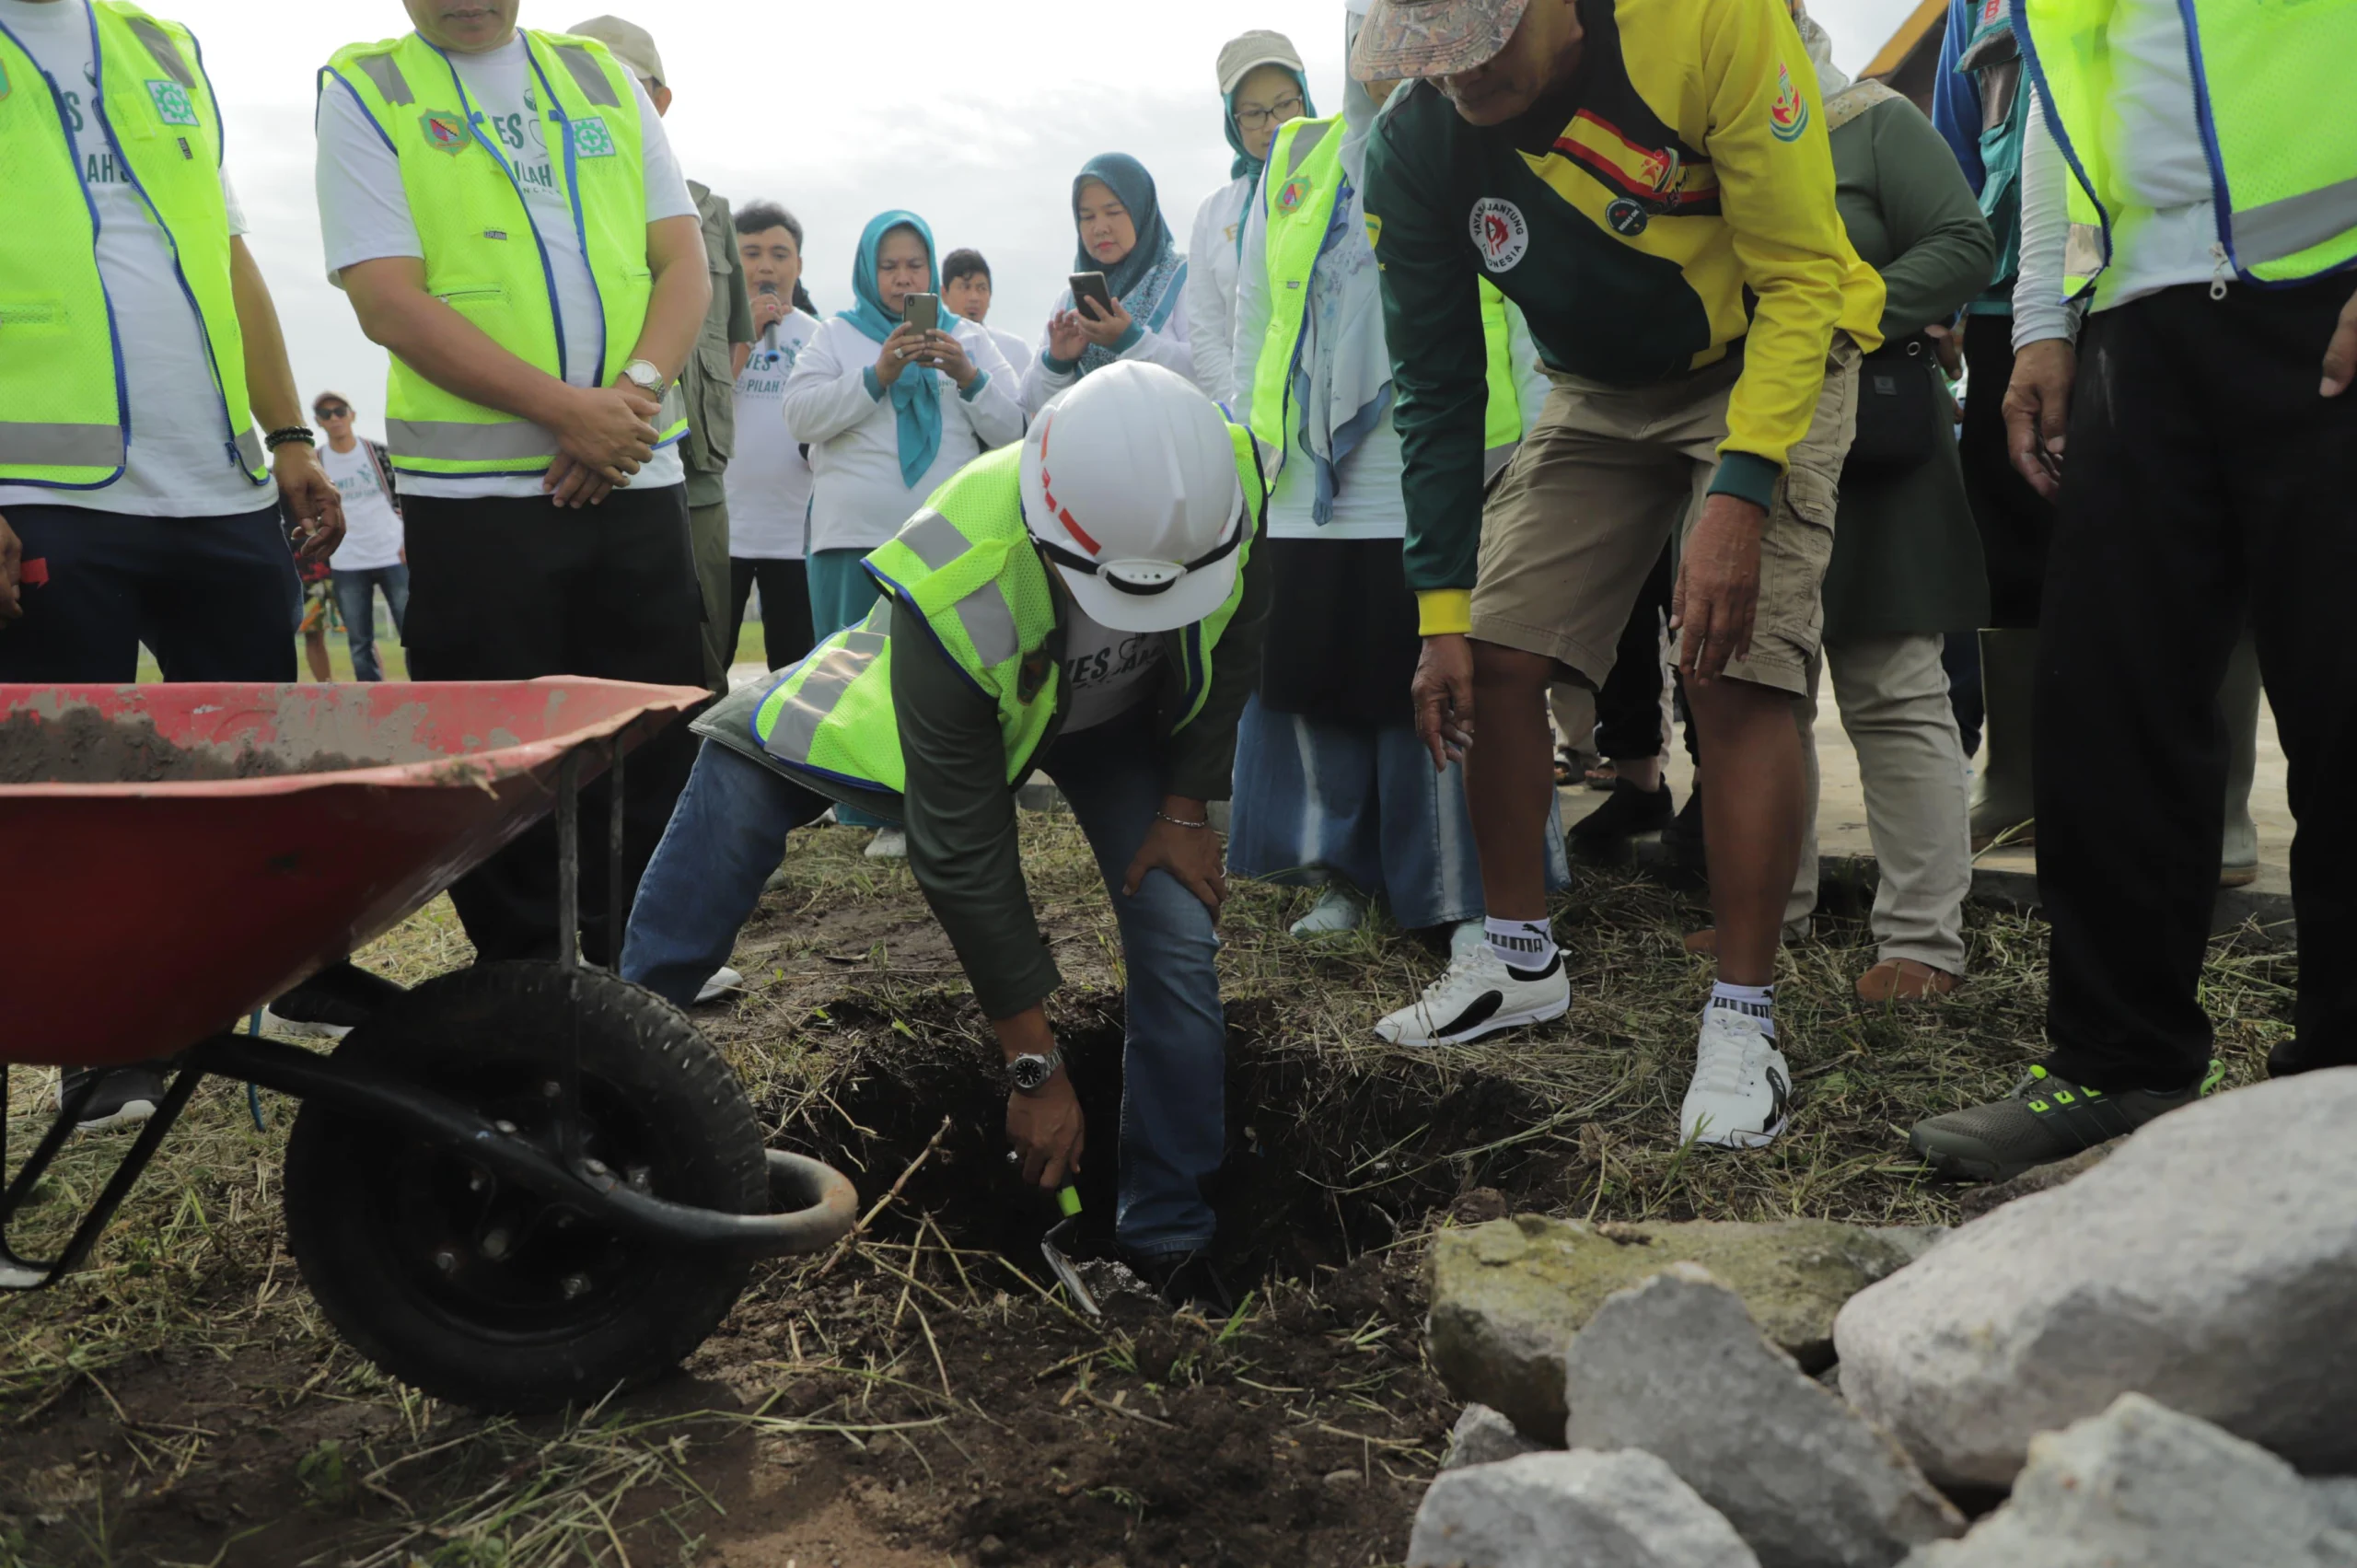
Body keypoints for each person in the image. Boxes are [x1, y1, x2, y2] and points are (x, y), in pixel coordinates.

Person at [622, 364, 1270, 1310]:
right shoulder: (959, 570)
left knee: (1178, 942)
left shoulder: (1223, 479)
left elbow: (1240, 632)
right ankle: (615, 1086)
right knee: (740, 766)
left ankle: (1166, 1236)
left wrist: (1184, 806)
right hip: (966, 698)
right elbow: (965, 855)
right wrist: (1035, 1069)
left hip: (1127, 724)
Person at [1354, 0, 1884, 1151]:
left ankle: (1744, 1019)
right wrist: (1438, 612)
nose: (1454, 81)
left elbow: (1802, 278)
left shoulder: (1706, 25)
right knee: (1492, 649)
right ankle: (1516, 958)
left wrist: (1741, 492)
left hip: (1764, 352)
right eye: (1424, 59)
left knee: (1734, 669)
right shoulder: (1412, 147)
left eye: (1476, 46)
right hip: (1596, 389)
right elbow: (1437, 390)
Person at [1906, 0, 2357, 1179]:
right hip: (2142, 320)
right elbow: (2065, 103)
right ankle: (2117, 1061)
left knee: (2346, 699)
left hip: (2332, 293)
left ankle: (2341, 1087)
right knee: (2103, 699)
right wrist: (2049, 321)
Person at [1, 0, 345, 1132]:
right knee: (73, 788)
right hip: (42, 487)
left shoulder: (161, 47)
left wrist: (288, 434)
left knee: (257, 764)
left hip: (216, 481)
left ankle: (277, 983)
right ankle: (100, 1044)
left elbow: (228, 253)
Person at [317, 0, 711, 972]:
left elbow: (683, 262)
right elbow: (385, 296)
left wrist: (632, 395)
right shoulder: (368, 87)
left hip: (634, 471)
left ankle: (641, 972)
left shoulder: (599, 77)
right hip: (478, 497)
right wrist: (565, 410)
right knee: (496, 761)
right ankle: (529, 989)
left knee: (655, 740)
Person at [1226, 8, 1568, 956]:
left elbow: (1529, 305)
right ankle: (1337, 875)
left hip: (1443, 466)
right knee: (1319, 678)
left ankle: (1456, 889)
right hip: (1310, 483)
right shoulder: (1296, 156)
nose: (1393, 58)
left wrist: (1541, 450)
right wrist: (1256, 453)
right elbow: (1256, 309)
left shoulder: (1484, 134)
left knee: (1432, 680)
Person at [1701, 3, 1996, 1002]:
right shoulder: (1691, 135)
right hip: (1749, 438)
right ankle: (1764, 911)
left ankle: (1922, 941)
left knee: (1893, 686)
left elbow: (1963, 242)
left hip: (1870, 442)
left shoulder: (1870, 120)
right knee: (1757, 686)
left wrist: (1841, 311)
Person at [781, 209, 1024, 859]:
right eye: (888, 266)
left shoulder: (968, 337)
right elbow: (800, 413)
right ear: (868, 270)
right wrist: (876, 375)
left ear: (931, 272)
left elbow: (1018, 429)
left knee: (948, 676)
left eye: (914, 265)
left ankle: (944, 805)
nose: (901, 277)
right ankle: (866, 809)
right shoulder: (836, 335)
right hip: (852, 535)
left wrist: (966, 377)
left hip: (945, 537)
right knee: (855, 677)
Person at [569, 16, 755, 699]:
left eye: (627, 86)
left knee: (697, 654)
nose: (605, 101)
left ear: (661, 102)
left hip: (693, 468)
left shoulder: (707, 212)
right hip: (575, 458)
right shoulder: (545, 207)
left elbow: (733, 338)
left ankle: (689, 804)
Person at [1184, 30, 1311, 404]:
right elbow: (1206, 331)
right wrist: (1248, 409)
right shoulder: (1214, 213)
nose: (1272, 124)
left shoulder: (1344, 182)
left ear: (1305, 99)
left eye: (1285, 104)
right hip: (1251, 413)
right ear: (1232, 121)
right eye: (1254, 113)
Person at [1022, 155, 1199, 414]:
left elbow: (1209, 372)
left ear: (1141, 210)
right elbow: (1032, 407)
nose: (1100, 228)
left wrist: (1132, 341)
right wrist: (1057, 361)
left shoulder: (1184, 278)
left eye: (1113, 212)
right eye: (1087, 217)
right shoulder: (1069, 302)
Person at [726, 202, 819, 673]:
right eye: (752, 251)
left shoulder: (822, 338)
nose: (766, 265)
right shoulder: (706, 330)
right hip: (724, 532)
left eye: (780, 254)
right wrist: (745, 335)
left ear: (798, 266)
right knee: (706, 669)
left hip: (797, 537)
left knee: (796, 673)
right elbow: (703, 406)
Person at [313, 392, 409, 682]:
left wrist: (408, 542)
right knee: (359, 642)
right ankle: (373, 705)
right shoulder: (316, 462)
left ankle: (425, 694)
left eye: (340, 411)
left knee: (413, 634)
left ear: (352, 414)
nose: (335, 418)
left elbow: (405, 499)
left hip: (392, 554)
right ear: (319, 421)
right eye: (326, 414)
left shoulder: (378, 453)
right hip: (347, 560)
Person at [942, 248, 1035, 380]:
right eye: (965, 287)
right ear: (944, 294)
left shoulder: (1015, 349)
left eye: (982, 288)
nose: (974, 297)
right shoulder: (931, 349)